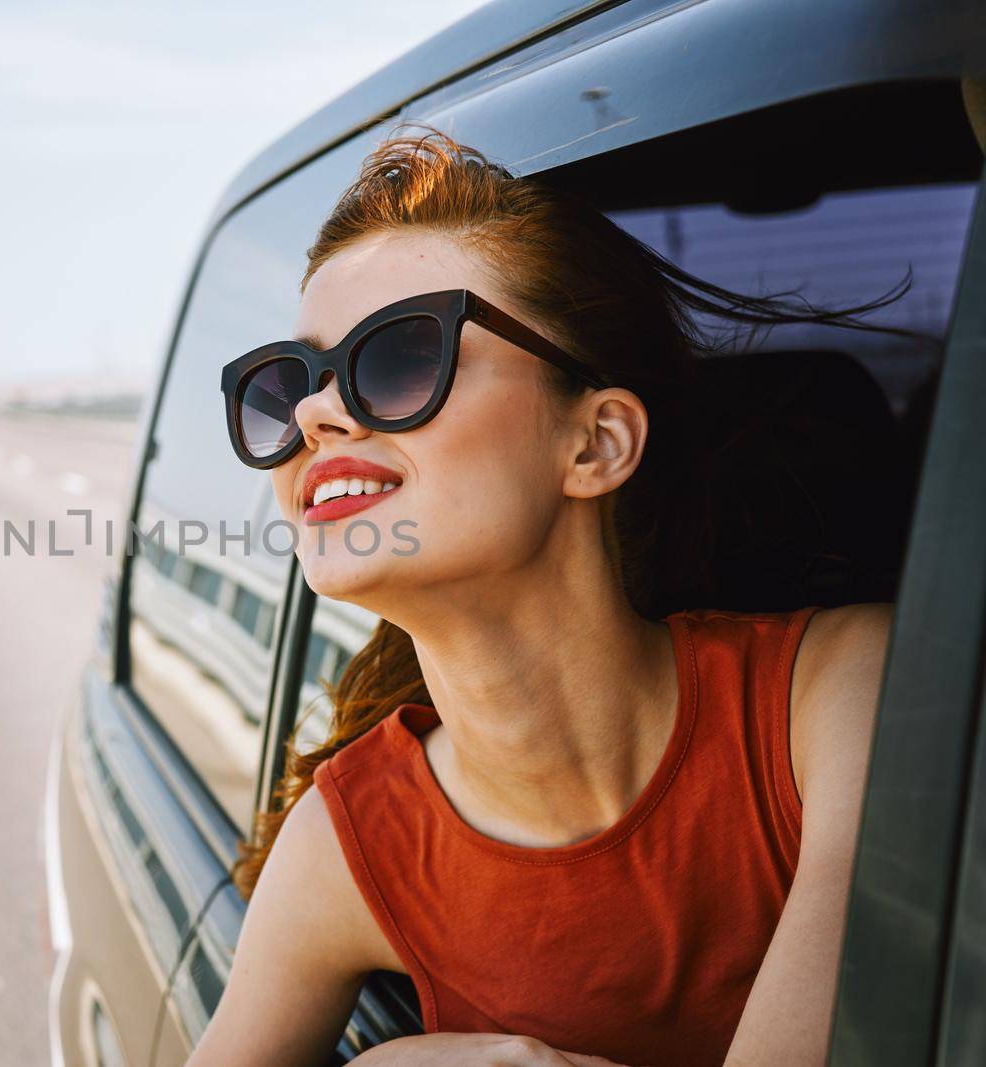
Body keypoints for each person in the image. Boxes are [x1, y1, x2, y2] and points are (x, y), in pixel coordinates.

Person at [190, 125, 906, 1067]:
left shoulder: (841, 695)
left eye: (400, 359)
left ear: (596, 443)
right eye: (289, 385)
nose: (316, 415)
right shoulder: (348, 841)